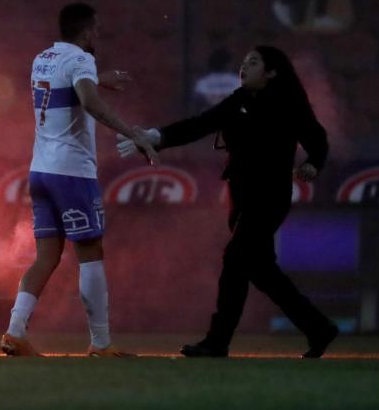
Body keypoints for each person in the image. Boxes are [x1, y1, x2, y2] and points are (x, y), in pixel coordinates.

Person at [117, 45, 339, 358]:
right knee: (262, 272)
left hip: (270, 195)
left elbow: (318, 139)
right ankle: (319, 328)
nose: (243, 67)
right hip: (241, 194)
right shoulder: (239, 99)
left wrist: (314, 162)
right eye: (244, 62)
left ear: (272, 72)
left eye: (253, 62)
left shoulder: (289, 103)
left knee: (235, 259)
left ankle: (217, 341)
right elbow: (199, 124)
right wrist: (156, 136)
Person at [0, 2, 160, 357]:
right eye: (97, 30)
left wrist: (99, 80)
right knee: (91, 253)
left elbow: (68, 88)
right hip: (72, 172)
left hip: (40, 171)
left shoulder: (42, 59)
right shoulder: (82, 60)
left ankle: (14, 331)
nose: (98, 36)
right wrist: (133, 133)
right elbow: (88, 101)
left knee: (46, 257)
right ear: (86, 31)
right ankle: (101, 343)